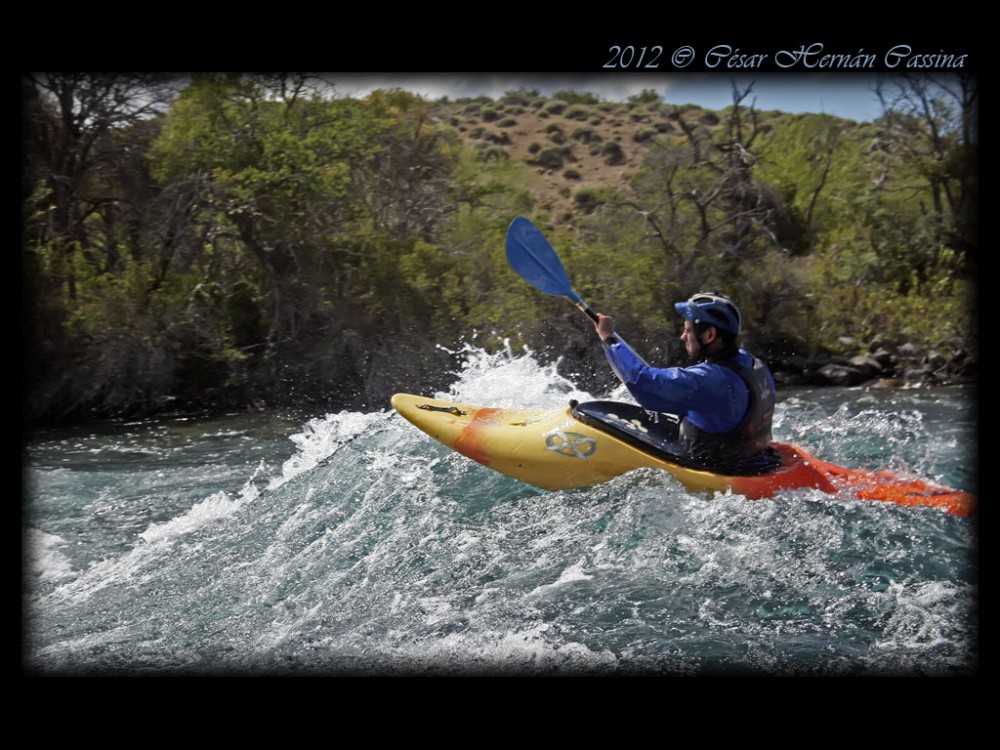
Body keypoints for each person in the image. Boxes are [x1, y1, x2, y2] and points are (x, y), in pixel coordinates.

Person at [593, 291, 776, 470]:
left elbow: (639, 380)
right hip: (755, 460)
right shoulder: (753, 364)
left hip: (719, 471)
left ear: (709, 335)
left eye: (688, 330)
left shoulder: (707, 381)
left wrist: (608, 338)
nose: (683, 336)